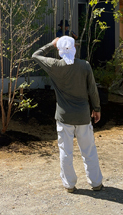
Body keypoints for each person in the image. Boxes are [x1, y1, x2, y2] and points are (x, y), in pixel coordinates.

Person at [32, 36, 103, 193]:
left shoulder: (55, 66)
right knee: (89, 151)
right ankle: (96, 183)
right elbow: (92, 90)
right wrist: (96, 108)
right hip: (83, 115)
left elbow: (35, 55)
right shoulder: (85, 66)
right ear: (74, 48)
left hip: (64, 117)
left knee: (66, 152)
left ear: (59, 50)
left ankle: (69, 185)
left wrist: (52, 43)